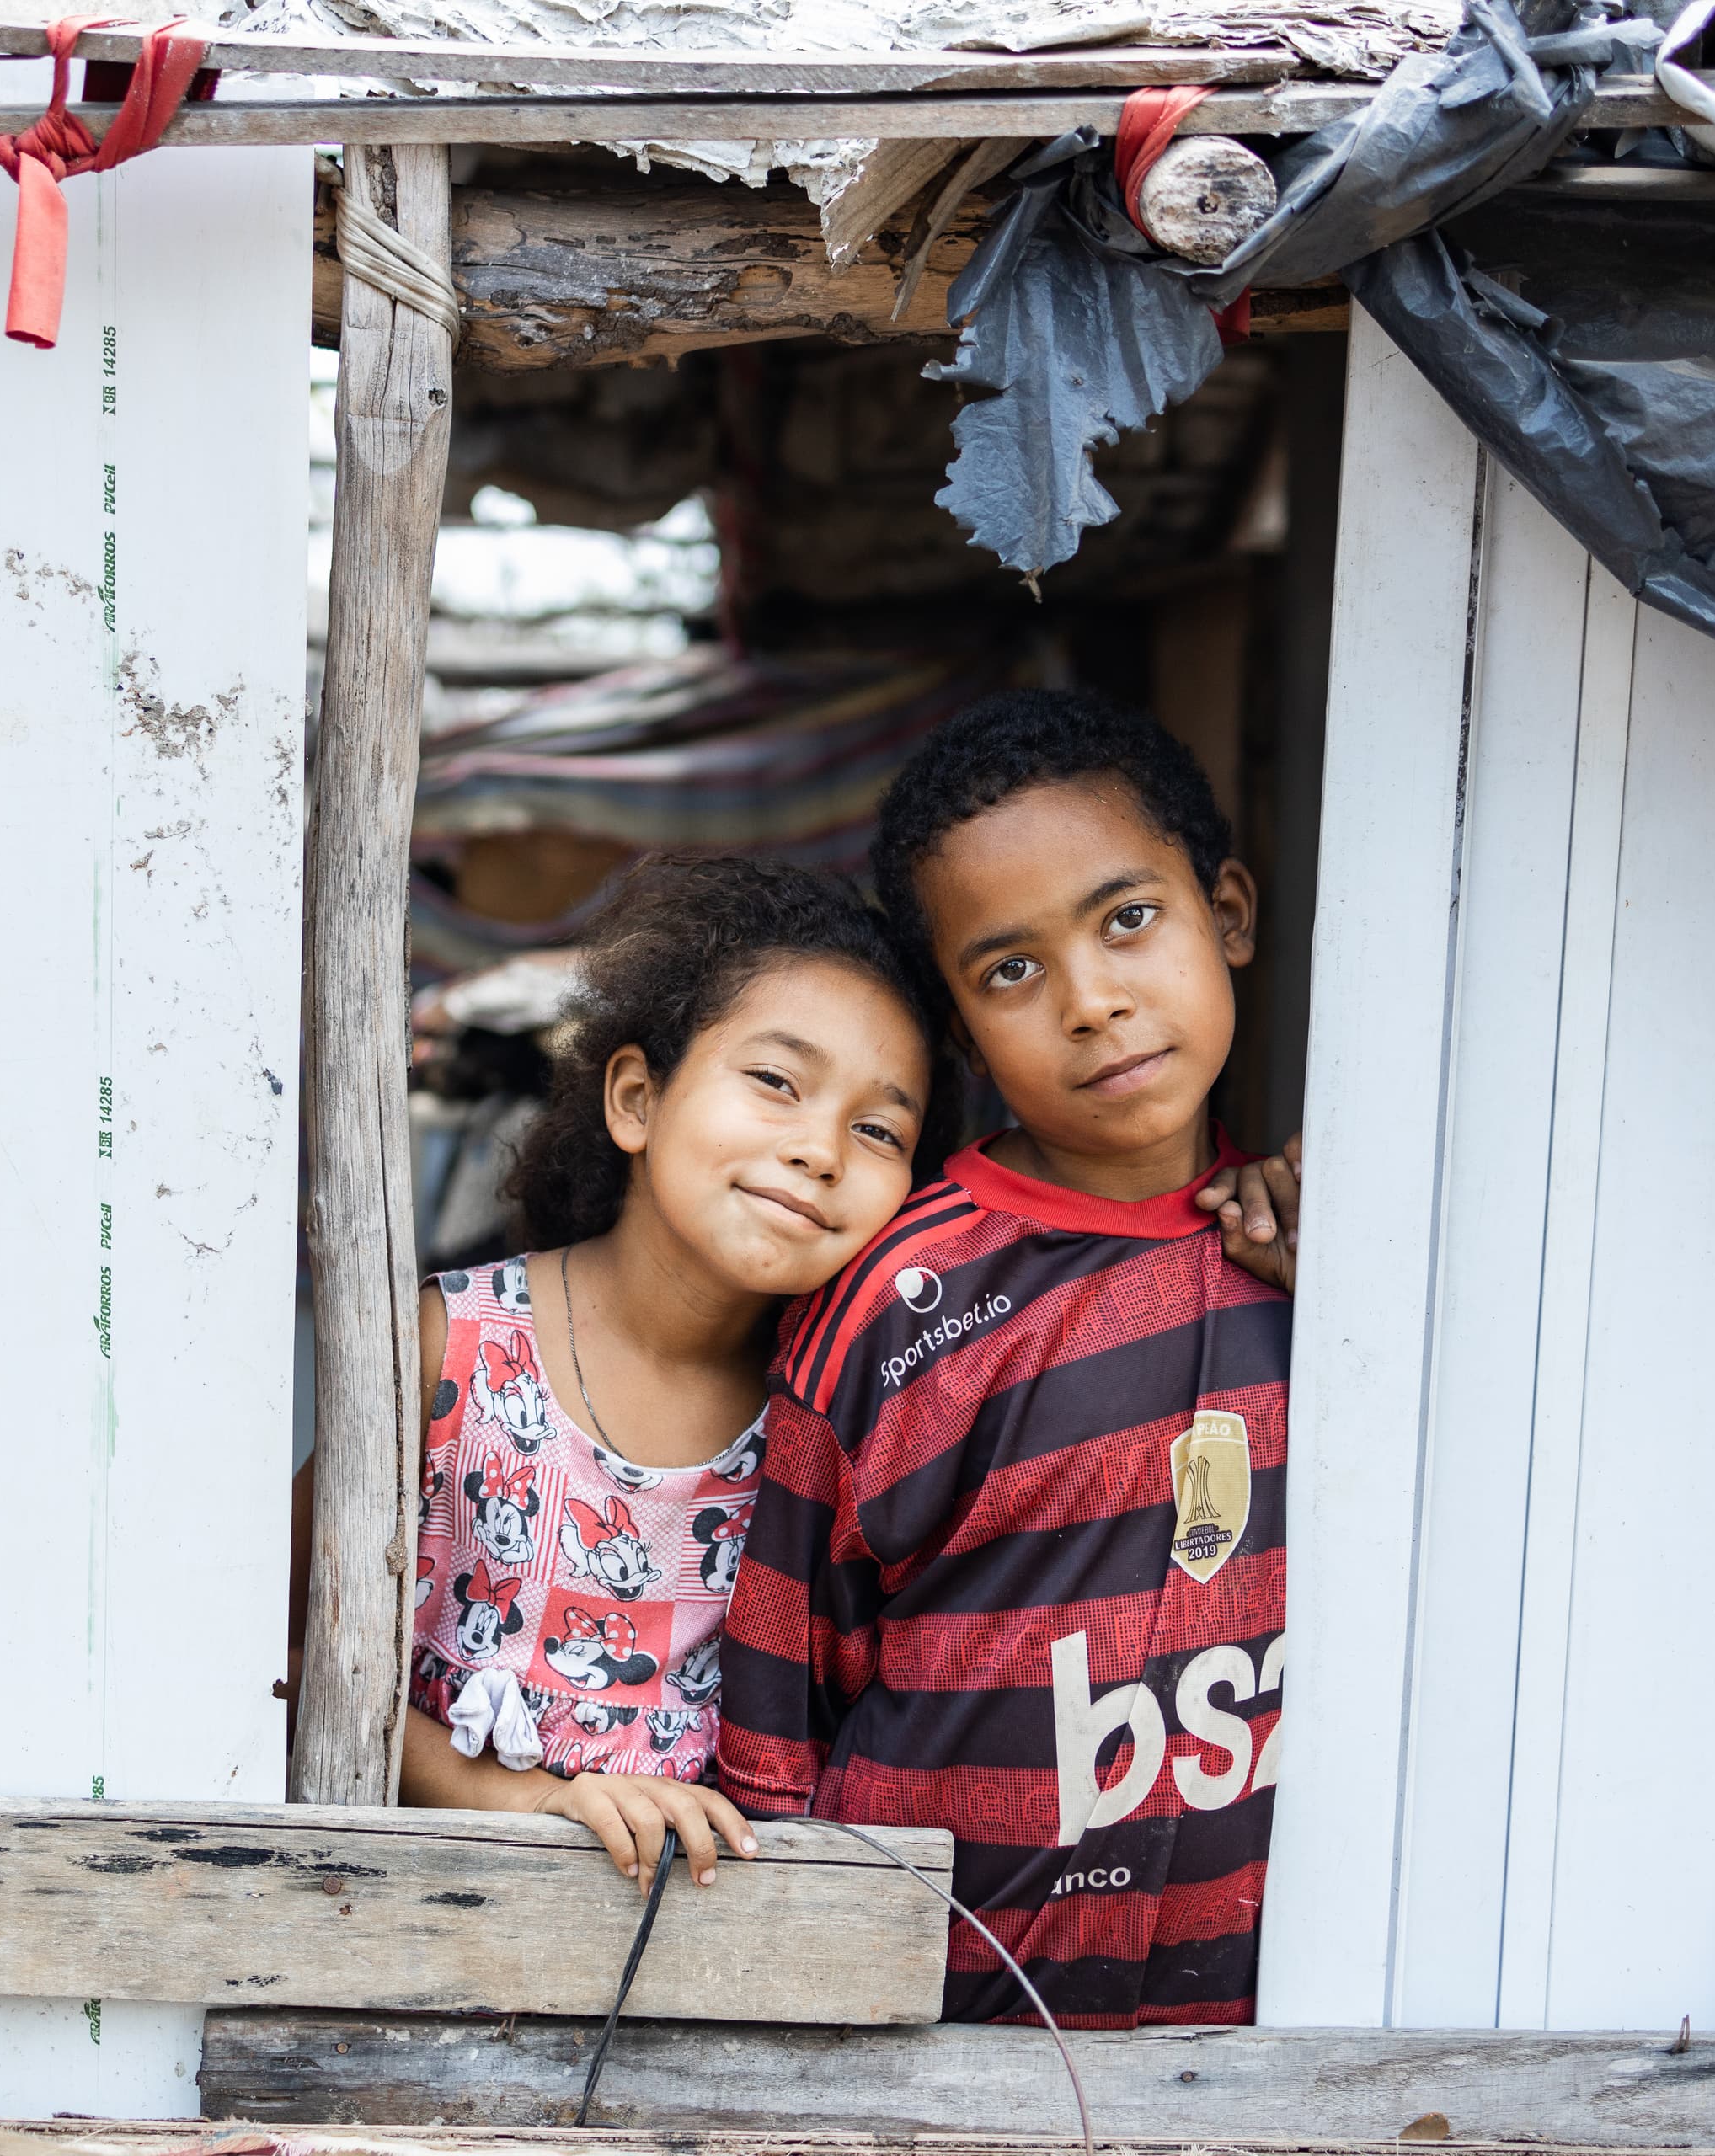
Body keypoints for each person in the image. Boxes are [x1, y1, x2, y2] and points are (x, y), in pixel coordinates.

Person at [719, 690, 1301, 2027]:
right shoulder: (896, 1305)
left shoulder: (1328, 1272)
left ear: (1229, 912)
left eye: (1129, 920)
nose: (1094, 1002)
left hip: (1252, 2039)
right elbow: (775, 1717)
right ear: (962, 1026)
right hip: (931, 2033)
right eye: (1011, 970)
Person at [393, 853, 951, 1891]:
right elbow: (279, 1652)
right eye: (776, 1081)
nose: (820, 1149)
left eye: (879, 1129)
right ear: (638, 1099)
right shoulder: (447, 1348)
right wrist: (528, 1802)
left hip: (691, 1982)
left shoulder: (838, 1421)